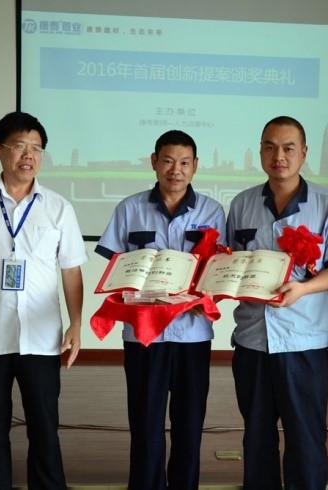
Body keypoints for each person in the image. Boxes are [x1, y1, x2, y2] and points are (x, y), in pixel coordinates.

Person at [0, 111, 87, 489]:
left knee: (44, 428)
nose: (29, 156)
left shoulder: (58, 207)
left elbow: (71, 271)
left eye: (37, 149)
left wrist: (75, 324)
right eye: (20, 146)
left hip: (41, 338)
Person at [226, 116, 328, 489]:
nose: (279, 156)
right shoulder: (242, 204)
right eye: (270, 147)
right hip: (252, 341)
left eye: (288, 148)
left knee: (306, 439)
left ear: (303, 153)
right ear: (260, 152)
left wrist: (302, 289)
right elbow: (229, 264)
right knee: (256, 438)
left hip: (303, 343)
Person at [95, 130, 226, 490]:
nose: (175, 170)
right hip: (144, 334)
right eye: (168, 161)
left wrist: (207, 298)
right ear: (154, 162)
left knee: (189, 423)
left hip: (192, 333)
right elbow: (114, 269)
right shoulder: (129, 209)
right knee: (145, 422)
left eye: (184, 162)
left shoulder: (212, 211)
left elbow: (220, 270)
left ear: (195, 166)